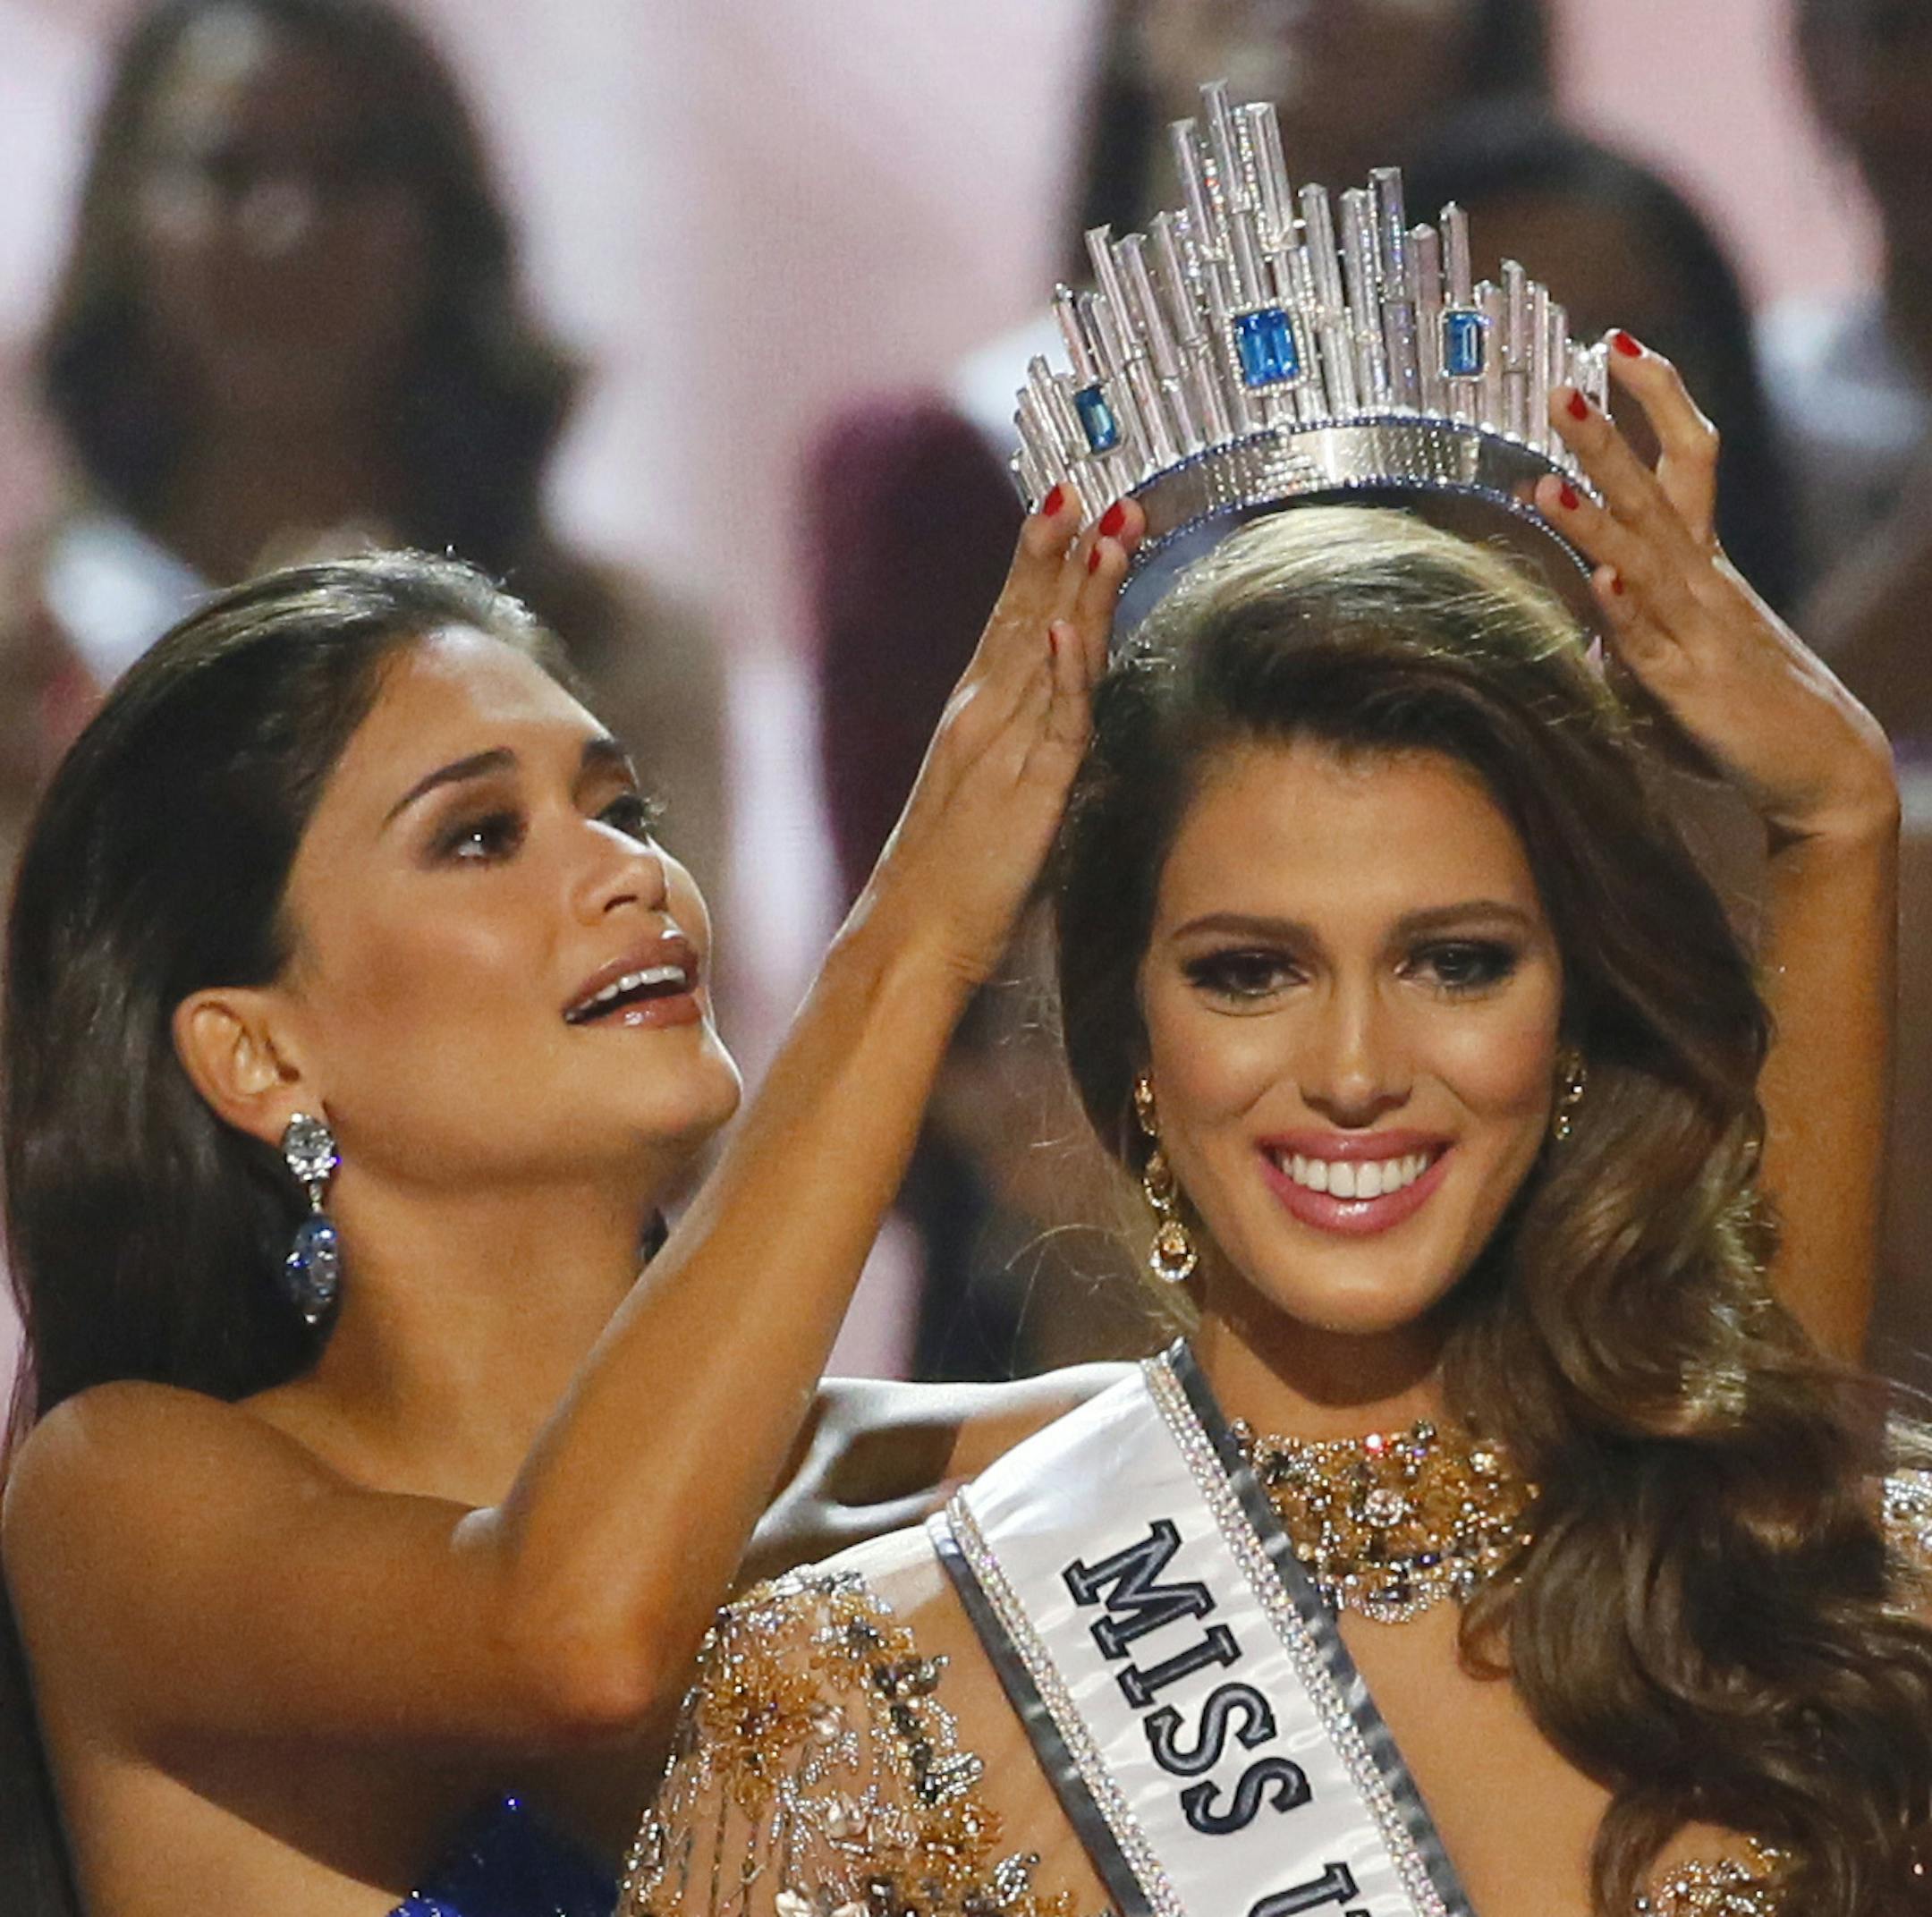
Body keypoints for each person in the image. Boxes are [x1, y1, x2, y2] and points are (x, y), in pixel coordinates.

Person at [627, 337, 1926, 1915]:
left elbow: (1776, 1393)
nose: (1359, 1067)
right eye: (1253, 972)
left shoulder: (1827, 1589)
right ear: (1134, 1044)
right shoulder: (855, 1697)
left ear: (1573, 1015)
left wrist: (1840, 818)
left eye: (1457, 961)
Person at [0, 496, 1144, 1913]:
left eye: (622, 808)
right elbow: (580, 1632)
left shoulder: (924, 1480)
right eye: (480, 834)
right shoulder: (118, 1498)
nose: (629, 872)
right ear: (259, 1052)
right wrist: (913, 934)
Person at [0, 0, 729, 901]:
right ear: (124, 217)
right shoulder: (28, 661)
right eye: (227, 171)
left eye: (349, 171)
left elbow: (663, 1002)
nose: (287, 225)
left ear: (443, 223)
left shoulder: (613, 659)